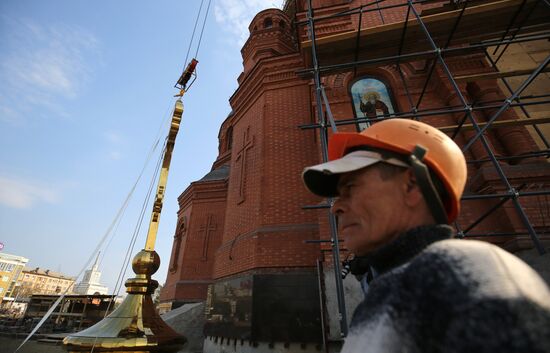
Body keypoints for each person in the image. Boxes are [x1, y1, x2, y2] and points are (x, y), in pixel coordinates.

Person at [302, 118, 550, 353]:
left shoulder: (458, 273)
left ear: (412, 185)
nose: (336, 206)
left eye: (351, 187)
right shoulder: (391, 290)